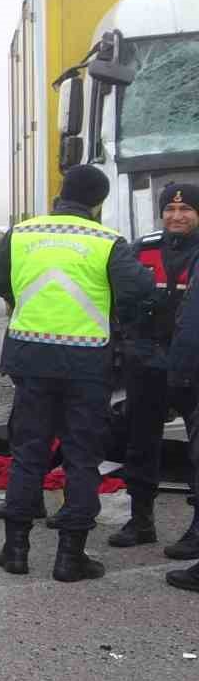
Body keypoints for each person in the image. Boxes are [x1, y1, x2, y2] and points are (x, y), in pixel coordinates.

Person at [0, 165, 154, 582]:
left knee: (28, 452)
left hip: (31, 357)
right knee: (81, 457)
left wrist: (23, 291)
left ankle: (15, 549)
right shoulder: (106, 241)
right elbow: (139, 291)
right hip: (87, 361)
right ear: (98, 202)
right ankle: (70, 557)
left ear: (61, 193)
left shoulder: (24, 232)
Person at [108, 183, 199, 558]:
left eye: (186, 210)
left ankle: (196, 531)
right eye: (169, 210)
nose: (176, 216)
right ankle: (141, 519)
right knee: (140, 441)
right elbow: (118, 295)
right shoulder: (142, 248)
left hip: (192, 363)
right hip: (146, 360)